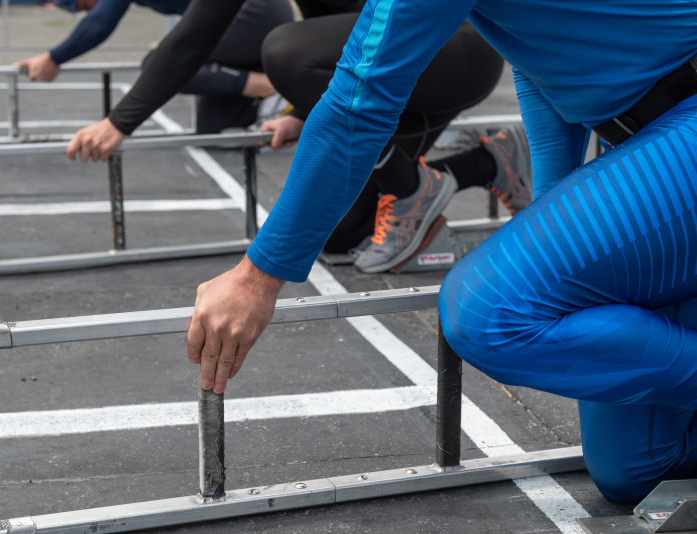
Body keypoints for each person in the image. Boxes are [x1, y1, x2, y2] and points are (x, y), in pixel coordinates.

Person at [185, 0, 697, 505]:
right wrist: (554, 211)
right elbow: (538, 56)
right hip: (647, 134)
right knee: (636, 467)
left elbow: (358, 100)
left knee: (491, 312)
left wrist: (258, 276)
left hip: (681, 124)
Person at [260, 13, 531, 272]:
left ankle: (409, 189)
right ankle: (490, 163)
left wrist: (261, 267)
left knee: (283, 52)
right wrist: (305, 107)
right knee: (341, 231)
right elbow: (330, 38)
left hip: (453, 45)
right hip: (389, 60)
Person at [16, 0, 293, 134]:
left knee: (159, 65)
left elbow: (100, 24)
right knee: (214, 135)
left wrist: (54, 58)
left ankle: (269, 86)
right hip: (239, 26)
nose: (84, 11)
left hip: (254, 12)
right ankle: (268, 101)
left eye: (79, 5)